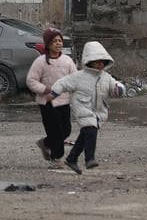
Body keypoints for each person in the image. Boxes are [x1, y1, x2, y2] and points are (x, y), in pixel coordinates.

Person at [47, 41, 125, 174]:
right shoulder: (79, 76)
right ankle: (90, 159)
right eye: (97, 61)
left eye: (102, 62)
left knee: (85, 135)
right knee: (90, 130)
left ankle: (72, 158)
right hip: (82, 107)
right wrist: (54, 93)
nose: (100, 64)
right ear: (89, 61)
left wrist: (119, 89)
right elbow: (63, 82)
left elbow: (114, 87)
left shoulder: (106, 78)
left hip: (98, 110)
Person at [26, 28, 78, 163]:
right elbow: (31, 80)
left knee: (66, 130)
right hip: (47, 102)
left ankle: (45, 143)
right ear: (48, 44)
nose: (58, 43)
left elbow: (75, 79)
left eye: (60, 41)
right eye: (54, 41)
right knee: (55, 131)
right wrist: (45, 89)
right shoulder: (41, 61)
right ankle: (56, 157)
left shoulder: (67, 61)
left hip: (64, 101)